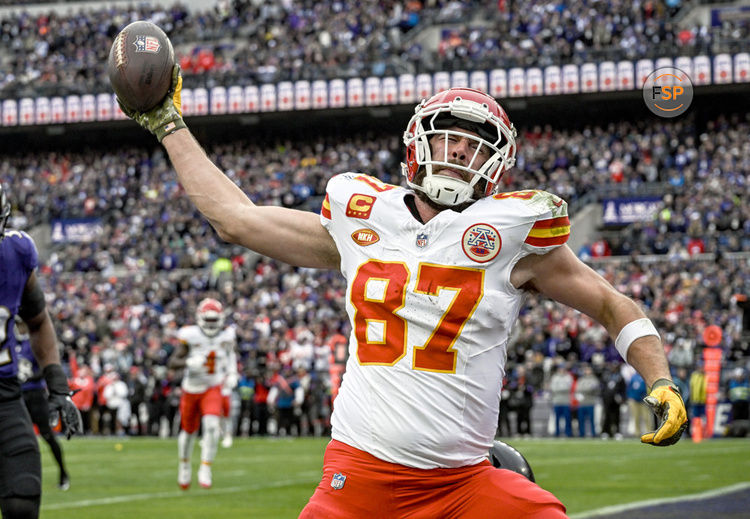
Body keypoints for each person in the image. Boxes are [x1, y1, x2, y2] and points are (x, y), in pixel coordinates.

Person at [122, 73, 688, 518]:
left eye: (473, 146)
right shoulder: (362, 215)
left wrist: (659, 378)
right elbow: (235, 220)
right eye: (447, 138)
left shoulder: (516, 236)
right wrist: (168, 122)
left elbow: (614, 304)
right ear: (418, 142)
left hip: (462, 481)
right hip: (359, 473)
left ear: (496, 162)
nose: (457, 154)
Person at [0, 185, 82, 519]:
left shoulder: (16, 253)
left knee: (23, 495)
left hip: (4, 394)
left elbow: (37, 320)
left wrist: (57, 384)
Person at [168, 297, 236, 490]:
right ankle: (184, 465)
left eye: (215, 320)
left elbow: (231, 355)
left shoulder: (227, 336)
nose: (212, 324)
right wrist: (188, 362)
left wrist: (232, 373)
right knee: (188, 432)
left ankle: (206, 467)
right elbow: (172, 363)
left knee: (212, 426)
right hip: (191, 388)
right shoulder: (190, 335)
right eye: (209, 320)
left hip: (212, 387)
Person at [14, 318, 70, 490]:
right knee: (18, 438)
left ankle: (63, 473)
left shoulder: (32, 344)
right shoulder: (13, 345)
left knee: (47, 435)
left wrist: (27, 378)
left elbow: (42, 369)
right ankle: (21, 477)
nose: (18, 327)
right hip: (20, 395)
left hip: (36, 395)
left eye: (20, 324)